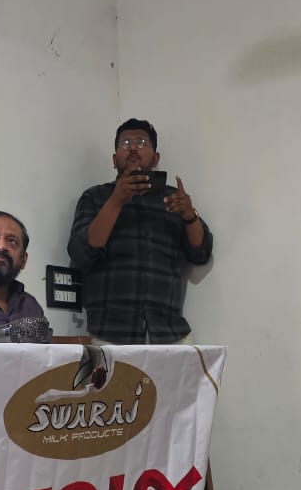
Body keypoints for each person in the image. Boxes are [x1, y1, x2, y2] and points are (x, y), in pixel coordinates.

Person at [67, 119, 212, 343]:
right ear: (114, 160)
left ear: (155, 158)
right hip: (110, 332)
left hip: (170, 333)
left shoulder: (173, 198)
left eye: (142, 142)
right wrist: (116, 201)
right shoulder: (95, 197)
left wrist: (189, 215)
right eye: (125, 143)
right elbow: (81, 253)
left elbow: (201, 253)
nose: (133, 148)